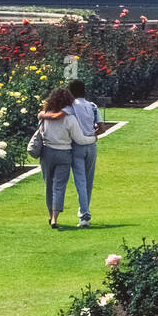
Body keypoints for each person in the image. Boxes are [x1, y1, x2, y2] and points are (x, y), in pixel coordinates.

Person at [37, 87, 97, 228]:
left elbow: (41, 132)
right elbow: (80, 139)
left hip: (47, 152)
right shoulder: (69, 119)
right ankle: (55, 218)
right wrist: (93, 139)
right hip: (64, 153)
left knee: (48, 185)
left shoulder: (45, 115)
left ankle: (50, 215)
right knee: (59, 187)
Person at [63, 78, 99, 227]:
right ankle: (84, 212)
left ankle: (84, 214)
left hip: (77, 145)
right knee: (88, 181)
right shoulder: (92, 105)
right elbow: (101, 126)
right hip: (91, 144)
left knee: (80, 181)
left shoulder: (71, 106)